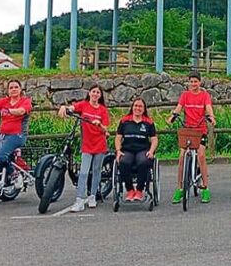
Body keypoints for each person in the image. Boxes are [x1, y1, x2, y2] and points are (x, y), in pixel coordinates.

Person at [58, 85, 111, 213]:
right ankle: (79, 199)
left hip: (99, 144)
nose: (95, 94)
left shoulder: (103, 110)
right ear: (89, 93)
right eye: (93, 91)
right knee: (83, 172)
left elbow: (106, 129)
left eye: (98, 92)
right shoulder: (84, 105)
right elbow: (72, 108)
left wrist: (100, 125)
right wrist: (64, 108)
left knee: (96, 171)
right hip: (87, 144)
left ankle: (92, 195)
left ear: (100, 95)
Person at [169, 72, 215, 204]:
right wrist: (173, 116)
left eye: (196, 81)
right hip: (187, 130)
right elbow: (178, 109)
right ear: (188, 83)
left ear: (200, 82)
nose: (193, 84)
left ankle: (205, 187)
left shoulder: (204, 95)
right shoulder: (185, 95)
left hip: (200, 130)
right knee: (182, 156)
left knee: (201, 155)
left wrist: (211, 117)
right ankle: (179, 188)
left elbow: (209, 109)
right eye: (191, 81)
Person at [115, 98, 158, 202]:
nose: (137, 108)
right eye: (135, 106)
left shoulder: (148, 122)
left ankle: (139, 190)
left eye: (140, 106)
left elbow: (154, 139)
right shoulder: (124, 121)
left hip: (142, 149)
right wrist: (118, 150)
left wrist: (151, 151)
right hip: (127, 149)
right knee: (124, 162)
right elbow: (118, 137)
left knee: (143, 162)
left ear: (144, 109)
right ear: (132, 107)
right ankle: (130, 190)